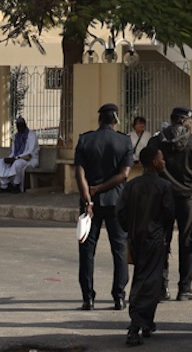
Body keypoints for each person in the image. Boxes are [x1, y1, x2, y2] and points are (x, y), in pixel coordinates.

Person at [74, 102, 135, 310]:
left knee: (87, 251)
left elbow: (79, 173)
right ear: (115, 119)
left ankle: (88, 299)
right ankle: (119, 297)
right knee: (119, 250)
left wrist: (88, 197)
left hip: (89, 203)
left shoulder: (85, 140)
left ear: (100, 119)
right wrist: (101, 188)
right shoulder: (124, 141)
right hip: (116, 202)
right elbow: (123, 175)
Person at [146, 106, 192, 301]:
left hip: (161, 197)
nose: (190, 125)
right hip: (187, 199)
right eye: (189, 121)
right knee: (189, 241)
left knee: (161, 241)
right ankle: (185, 288)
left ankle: (161, 288)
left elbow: (148, 167)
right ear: (182, 121)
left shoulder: (156, 141)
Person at [117, 146, 174, 347]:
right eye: (162, 158)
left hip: (136, 239)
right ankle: (136, 325)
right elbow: (169, 216)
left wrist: (131, 229)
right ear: (154, 162)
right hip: (154, 239)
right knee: (148, 283)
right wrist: (164, 237)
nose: (164, 161)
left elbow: (120, 212)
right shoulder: (164, 186)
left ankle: (147, 322)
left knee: (146, 279)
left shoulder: (132, 185)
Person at [0, 116, 39, 192]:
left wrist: (16, 158)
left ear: (25, 125)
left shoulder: (31, 135)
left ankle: (17, 185)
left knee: (18, 163)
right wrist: (9, 159)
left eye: (21, 125)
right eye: (18, 126)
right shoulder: (16, 136)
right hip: (16, 158)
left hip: (30, 160)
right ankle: (5, 185)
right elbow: (13, 152)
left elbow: (30, 154)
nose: (20, 128)